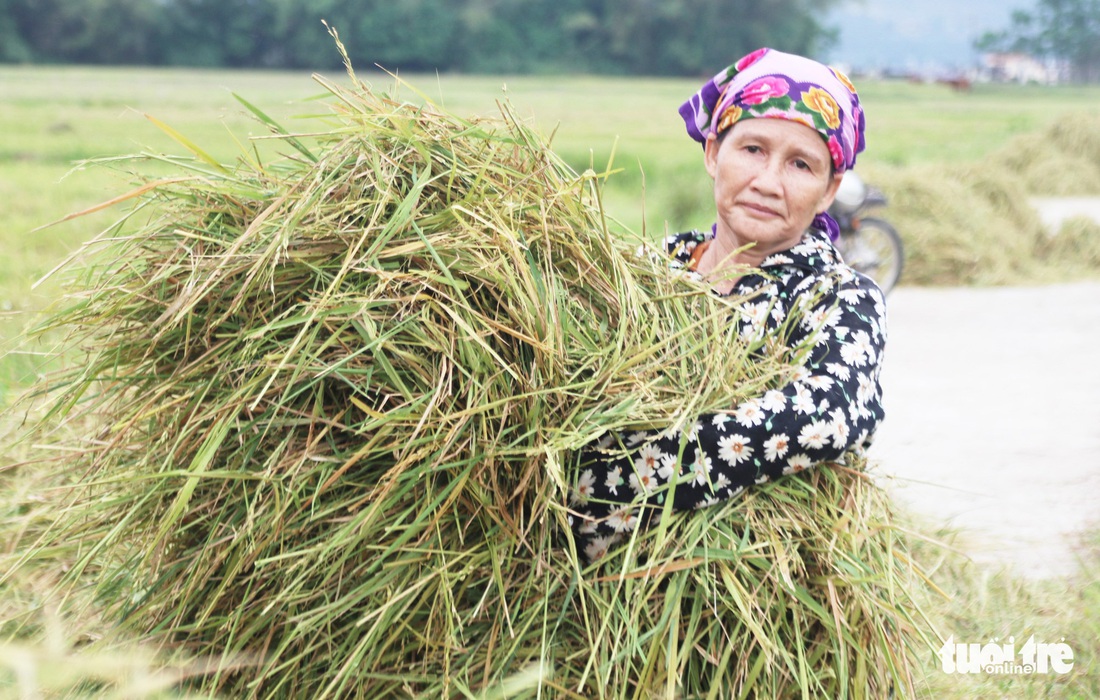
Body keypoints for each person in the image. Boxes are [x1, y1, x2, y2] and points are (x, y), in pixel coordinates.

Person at [567, 48, 886, 564]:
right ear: (714, 150)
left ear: (829, 190)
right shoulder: (641, 269)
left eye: (800, 164)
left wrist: (613, 486)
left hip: (742, 592)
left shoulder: (840, 298)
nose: (768, 182)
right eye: (753, 149)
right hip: (576, 601)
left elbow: (830, 414)